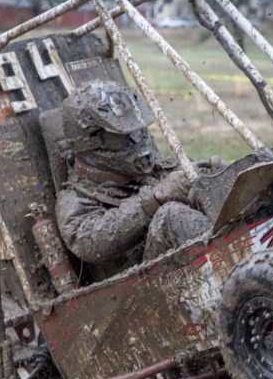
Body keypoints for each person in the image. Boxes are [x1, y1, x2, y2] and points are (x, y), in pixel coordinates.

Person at [50, 80, 212, 275]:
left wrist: (212, 174)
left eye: (138, 131)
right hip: (140, 289)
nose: (135, 141)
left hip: (186, 267)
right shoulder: (74, 199)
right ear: (90, 142)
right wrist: (154, 200)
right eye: (120, 136)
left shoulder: (155, 166)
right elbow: (90, 242)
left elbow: (194, 180)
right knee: (170, 215)